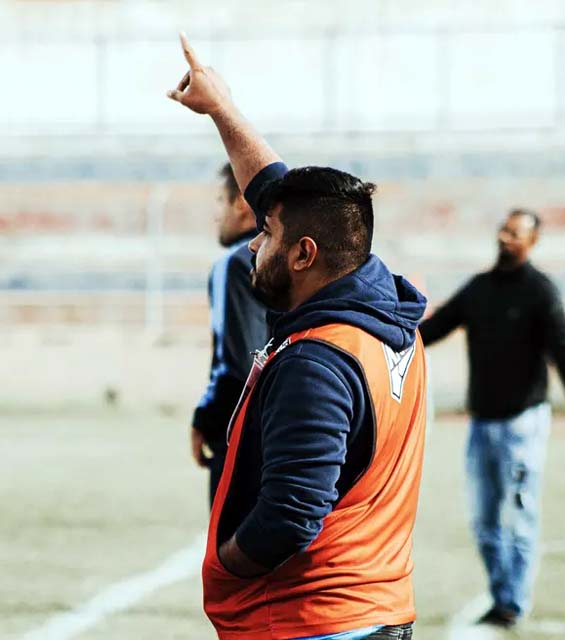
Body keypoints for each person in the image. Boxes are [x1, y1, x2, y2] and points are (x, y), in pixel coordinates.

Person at [168, 33, 427, 640]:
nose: (252, 245)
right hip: (376, 604)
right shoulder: (382, 303)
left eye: (267, 236)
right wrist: (222, 109)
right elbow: (282, 193)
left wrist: (226, 563)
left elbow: (289, 514)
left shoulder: (318, 361)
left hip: (312, 620)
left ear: (305, 255)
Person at [419, 208, 565, 629]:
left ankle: (513, 603)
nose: (505, 238)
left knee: (520, 517)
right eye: (503, 229)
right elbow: (435, 328)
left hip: (523, 424)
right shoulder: (479, 288)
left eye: (516, 233)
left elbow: (563, 348)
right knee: (484, 521)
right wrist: (393, 335)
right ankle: (502, 595)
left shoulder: (542, 292)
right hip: (481, 423)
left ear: (532, 242)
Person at [191, 163, 270, 506]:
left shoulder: (236, 264)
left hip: (241, 436)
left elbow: (237, 362)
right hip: (288, 431)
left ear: (241, 202)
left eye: (220, 200)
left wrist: (205, 418)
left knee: (230, 555)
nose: (215, 214)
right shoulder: (299, 260)